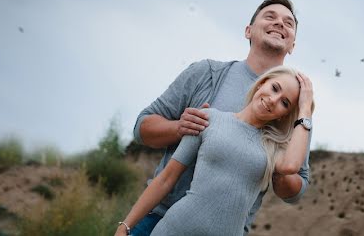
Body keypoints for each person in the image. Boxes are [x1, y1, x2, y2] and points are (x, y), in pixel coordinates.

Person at [130, 0, 312, 235]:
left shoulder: (295, 115)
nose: (280, 23)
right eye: (270, 17)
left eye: (288, 23)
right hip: (159, 218)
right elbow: (142, 128)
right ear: (248, 31)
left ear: (293, 46)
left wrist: (278, 170)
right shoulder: (206, 74)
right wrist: (179, 128)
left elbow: (296, 187)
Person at [116, 66, 314, 236]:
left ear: (283, 115)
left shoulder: (273, 148)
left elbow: (291, 166)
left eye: (284, 103)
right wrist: (125, 226)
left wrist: (305, 109)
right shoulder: (209, 118)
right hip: (174, 229)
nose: (273, 100)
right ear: (262, 83)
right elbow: (166, 179)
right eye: (274, 88)